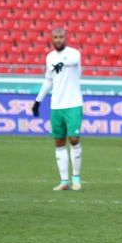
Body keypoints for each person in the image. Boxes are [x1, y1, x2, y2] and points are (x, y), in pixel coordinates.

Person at [31, 28, 83, 192]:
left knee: (73, 139)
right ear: (52, 39)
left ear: (65, 38)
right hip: (56, 105)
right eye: (55, 37)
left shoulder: (74, 53)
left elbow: (73, 61)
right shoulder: (50, 57)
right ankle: (64, 181)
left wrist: (61, 63)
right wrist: (38, 101)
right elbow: (48, 80)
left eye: (61, 37)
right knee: (59, 141)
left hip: (73, 103)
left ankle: (76, 178)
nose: (58, 39)